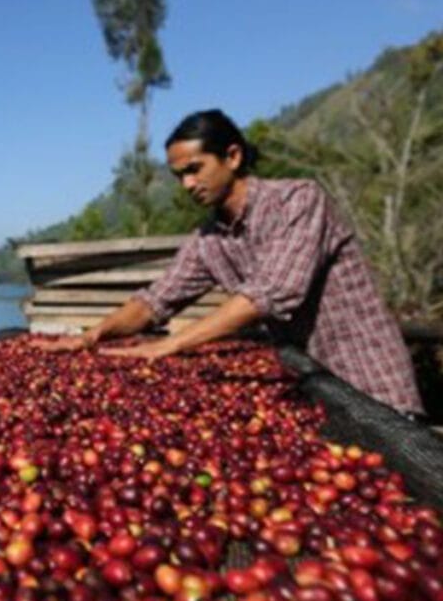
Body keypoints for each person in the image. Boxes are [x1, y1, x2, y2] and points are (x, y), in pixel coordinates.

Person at [38, 109, 424, 416]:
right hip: (311, 386)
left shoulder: (298, 201)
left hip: (370, 382)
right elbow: (155, 301)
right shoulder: (208, 240)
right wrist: (94, 335)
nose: (187, 185)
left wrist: (171, 346)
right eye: (178, 176)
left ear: (233, 156)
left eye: (194, 169)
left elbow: (273, 292)